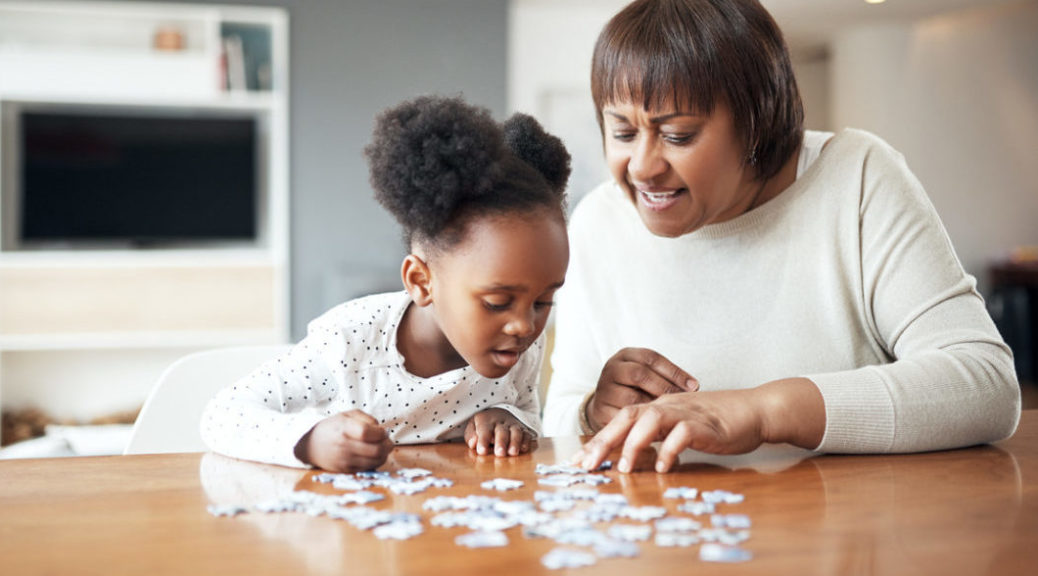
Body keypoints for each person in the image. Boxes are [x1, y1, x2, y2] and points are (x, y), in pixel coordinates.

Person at [544, 0, 1021, 474]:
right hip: (664, 539)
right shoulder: (595, 225)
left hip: (842, 536)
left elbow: (985, 384)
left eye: (678, 135)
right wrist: (592, 410)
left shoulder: (857, 178)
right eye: (623, 132)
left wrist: (762, 411)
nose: (643, 167)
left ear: (756, 122)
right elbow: (558, 420)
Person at [202, 95, 571, 472]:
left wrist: (512, 421)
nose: (525, 325)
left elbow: (528, 412)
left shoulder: (520, 343)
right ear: (421, 282)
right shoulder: (348, 342)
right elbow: (223, 415)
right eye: (497, 302)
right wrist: (311, 441)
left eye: (544, 301)